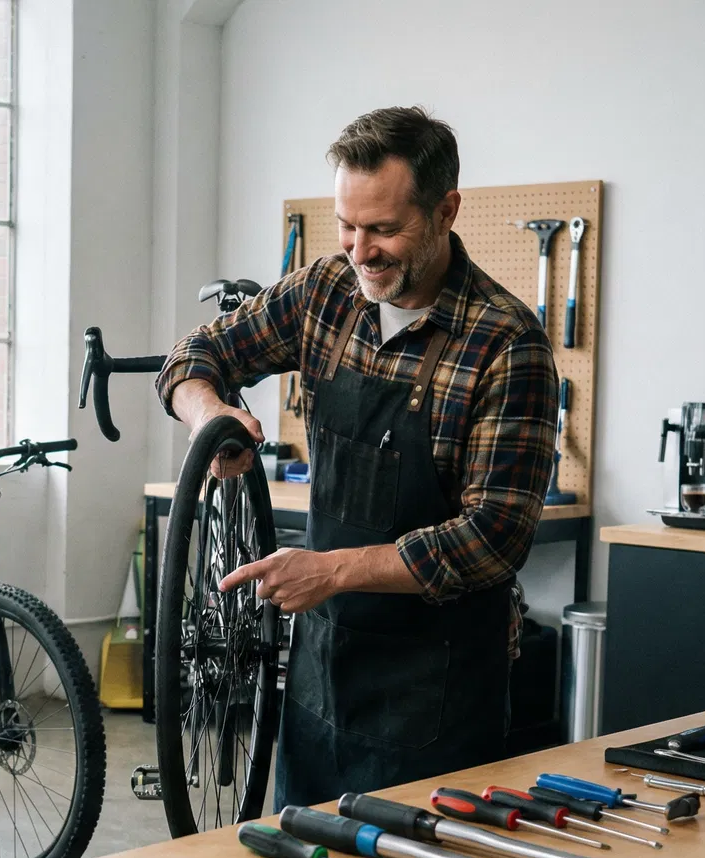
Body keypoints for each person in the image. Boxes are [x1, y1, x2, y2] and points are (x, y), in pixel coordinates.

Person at [154, 106, 557, 809]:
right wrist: (210, 416)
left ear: (446, 211)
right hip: (324, 674)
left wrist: (332, 570)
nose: (360, 250)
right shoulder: (324, 295)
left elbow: (495, 538)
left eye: (384, 230)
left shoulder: (505, 342)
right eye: (347, 226)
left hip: (438, 695)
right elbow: (194, 356)